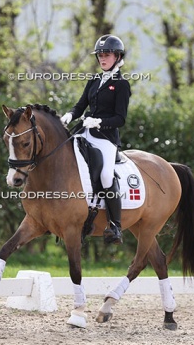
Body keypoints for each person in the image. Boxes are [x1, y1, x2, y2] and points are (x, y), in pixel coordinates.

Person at [61, 34, 131, 245]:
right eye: (100, 55)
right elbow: (80, 105)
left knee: (107, 176)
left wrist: (99, 121)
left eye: (107, 55)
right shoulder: (94, 81)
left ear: (117, 57)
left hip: (105, 139)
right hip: (84, 133)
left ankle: (115, 226)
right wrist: (69, 115)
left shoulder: (121, 85)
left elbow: (120, 119)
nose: (102, 58)